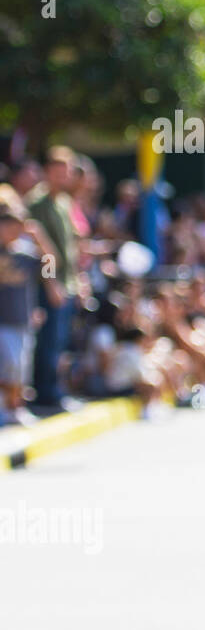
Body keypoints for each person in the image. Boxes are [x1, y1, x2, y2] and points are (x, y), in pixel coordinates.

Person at [24, 147, 85, 411]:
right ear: (47, 172)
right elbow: (41, 250)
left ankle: (56, 391)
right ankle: (46, 395)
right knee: (48, 343)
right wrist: (51, 284)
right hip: (49, 286)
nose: (63, 177)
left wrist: (78, 279)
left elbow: (70, 247)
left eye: (67, 172)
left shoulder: (64, 203)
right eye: (58, 171)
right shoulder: (37, 203)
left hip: (67, 284)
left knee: (61, 343)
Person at [0, 199, 61, 425]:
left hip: (21, 319)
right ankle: (8, 408)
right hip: (3, 320)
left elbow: (50, 265)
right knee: (9, 365)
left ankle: (15, 408)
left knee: (19, 368)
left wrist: (39, 238)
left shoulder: (25, 254)